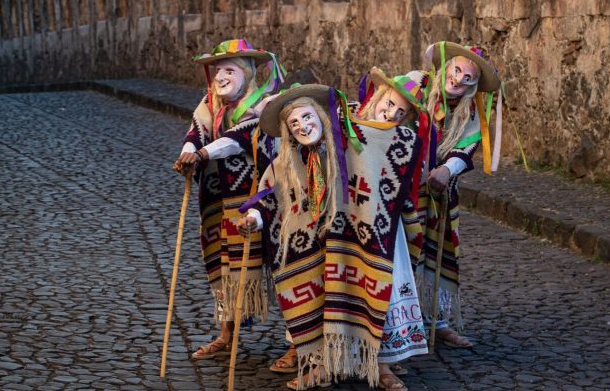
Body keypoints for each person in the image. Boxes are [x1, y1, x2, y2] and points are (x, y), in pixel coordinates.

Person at [237, 84, 422, 390]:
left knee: (376, 294)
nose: (303, 126)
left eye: (307, 117)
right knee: (321, 298)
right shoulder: (286, 163)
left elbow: (398, 140)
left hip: (363, 236)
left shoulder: (351, 143)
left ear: (320, 115)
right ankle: (323, 366)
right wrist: (253, 220)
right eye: (294, 124)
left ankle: (382, 366)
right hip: (318, 244)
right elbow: (267, 197)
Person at [172, 38, 284, 360]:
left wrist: (204, 153)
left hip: (260, 199)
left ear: (247, 73)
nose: (221, 76)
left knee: (281, 266)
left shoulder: (263, 105)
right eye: (218, 70)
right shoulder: (210, 105)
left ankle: (297, 343)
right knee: (223, 265)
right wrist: (187, 155)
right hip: (218, 200)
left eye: (229, 70)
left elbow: (239, 138)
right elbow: (196, 133)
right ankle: (226, 334)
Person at [419, 41, 501, 349]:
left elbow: (467, 148)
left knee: (439, 252)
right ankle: (401, 322)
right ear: (447, 67)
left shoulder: (469, 113)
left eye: (469, 78)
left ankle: (437, 321)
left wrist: (446, 170)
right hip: (402, 191)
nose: (459, 81)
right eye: (456, 71)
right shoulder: (418, 89)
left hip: (440, 196)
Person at [356, 68, 431, 391]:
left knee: (385, 285)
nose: (391, 114)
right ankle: (325, 357)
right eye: (388, 104)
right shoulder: (350, 127)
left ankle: (383, 362)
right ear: (377, 96)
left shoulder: (405, 140)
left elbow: (405, 184)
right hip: (348, 225)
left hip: (387, 228)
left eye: (401, 113)